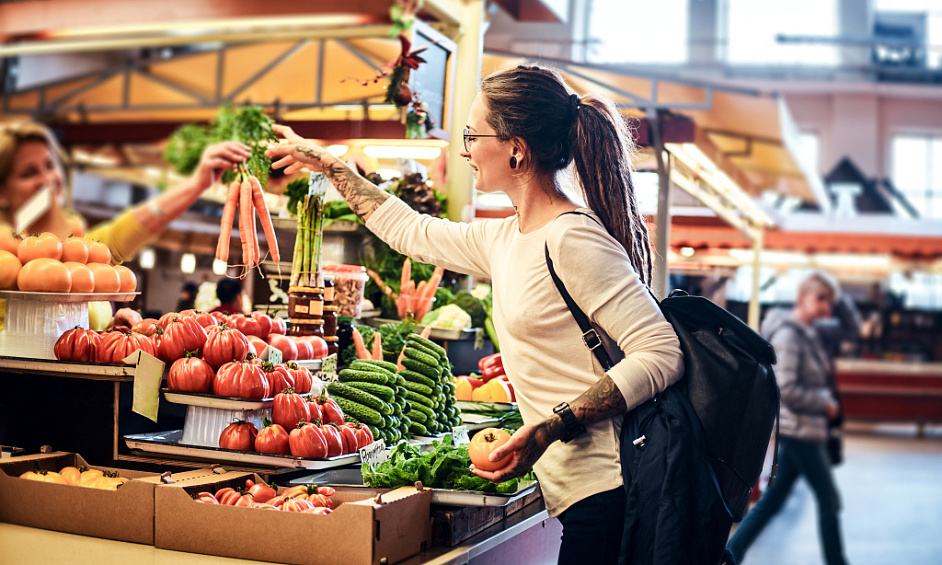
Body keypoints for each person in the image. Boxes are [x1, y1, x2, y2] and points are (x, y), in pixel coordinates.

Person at [266, 64, 683, 564]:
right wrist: (329, 164)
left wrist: (552, 425)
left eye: (471, 134)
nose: (464, 149)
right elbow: (411, 232)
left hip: (611, 490)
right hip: (577, 493)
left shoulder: (572, 237)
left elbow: (661, 352)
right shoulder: (506, 237)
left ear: (516, 148)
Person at [0, 120, 249, 329]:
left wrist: (109, 326)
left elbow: (127, 231)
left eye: (49, 165)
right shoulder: (7, 256)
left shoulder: (75, 248)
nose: (47, 179)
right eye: (28, 173)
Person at [724, 271, 852, 565]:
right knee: (829, 500)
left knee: (772, 501)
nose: (825, 309)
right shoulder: (789, 336)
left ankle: (730, 554)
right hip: (801, 431)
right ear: (802, 298)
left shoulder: (805, 334)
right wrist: (822, 402)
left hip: (803, 430)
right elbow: (788, 388)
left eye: (828, 303)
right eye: (821, 300)